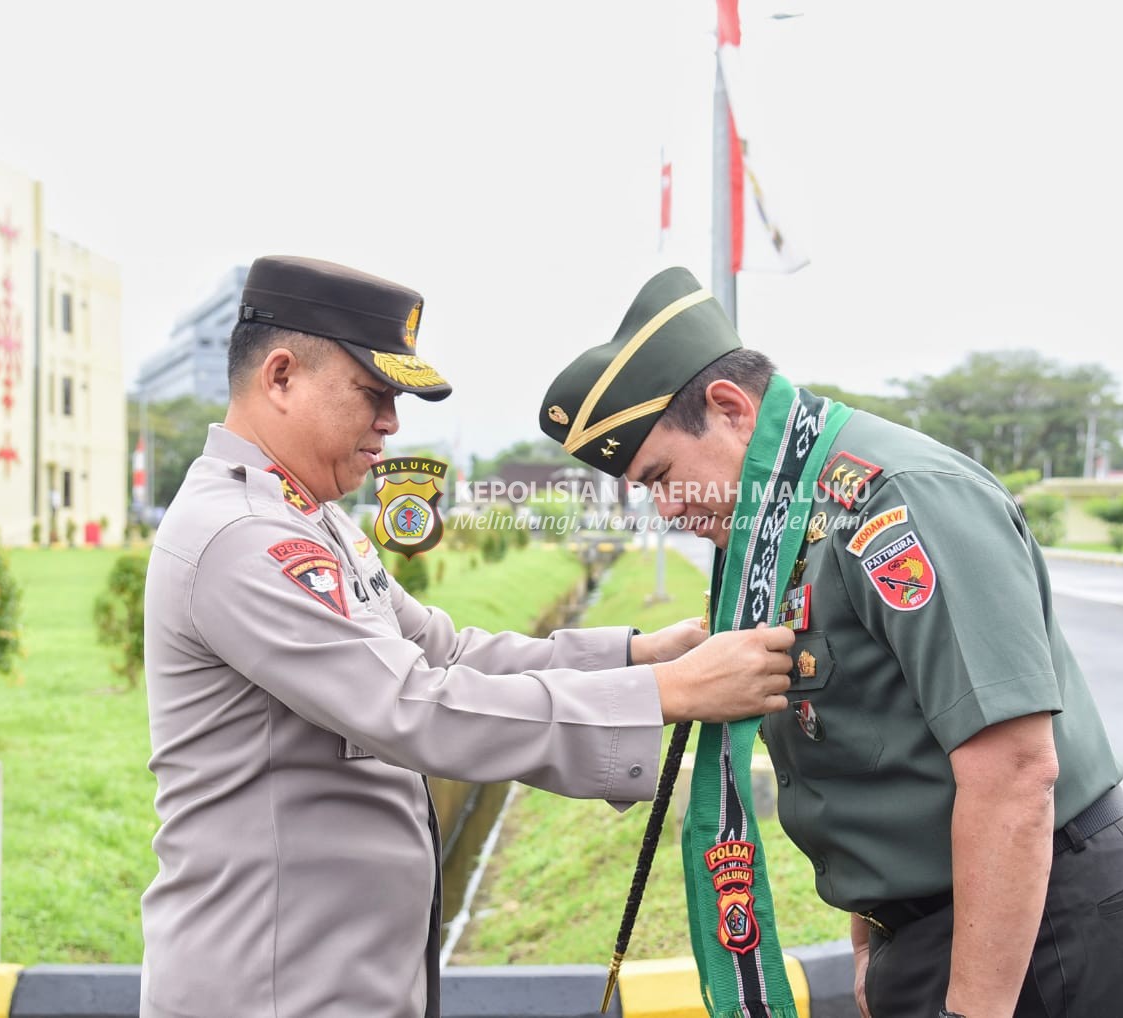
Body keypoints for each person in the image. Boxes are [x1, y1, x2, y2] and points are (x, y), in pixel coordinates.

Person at [139, 255, 797, 1018]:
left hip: (336, 971)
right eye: (372, 393)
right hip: (273, 984)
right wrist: (668, 694)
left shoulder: (309, 519)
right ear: (281, 377)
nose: (390, 423)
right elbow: (412, 704)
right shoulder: (243, 538)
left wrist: (635, 654)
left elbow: (443, 651)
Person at [539, 266, 1123, 1018]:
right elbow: (868, 745)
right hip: (930, 931)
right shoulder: (786, 522)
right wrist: (872, 944)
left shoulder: (898, 498)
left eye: (663, 476)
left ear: (729, 408)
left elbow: (1012, 769)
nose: (669, 508)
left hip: (1044, 934)